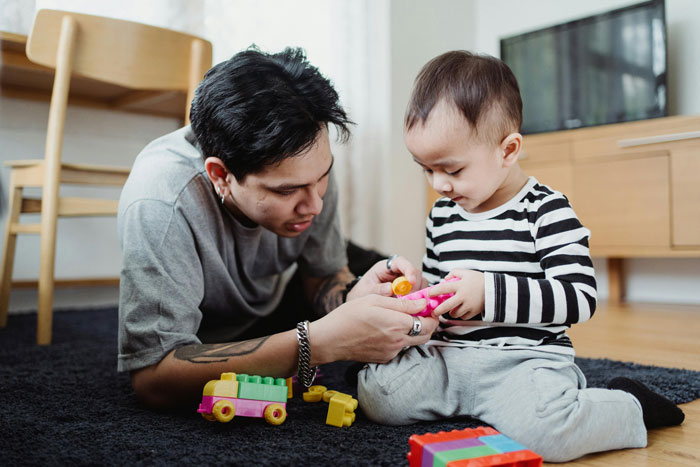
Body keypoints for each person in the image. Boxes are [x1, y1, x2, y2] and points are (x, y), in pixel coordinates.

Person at [356, 51, 684, 462]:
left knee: (548, 435)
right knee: (379, 395)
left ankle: (626, 404)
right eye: (426, 169)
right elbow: (442, 292)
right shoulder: (441, 215)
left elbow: (579, 297)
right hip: (450, 359)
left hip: (522, 363)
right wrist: (419, 295)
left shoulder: (547, 210)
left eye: (453, 170)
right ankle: (479, 406)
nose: (439, 184)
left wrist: (488, 293)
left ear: (508, 150)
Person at [117, 46, 439, 408]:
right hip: (208, 333)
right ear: (220, 176)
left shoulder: (309, 170)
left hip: (283, 291)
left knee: (402, 289)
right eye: (286, 190)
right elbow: (153, 377)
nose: (315, 204)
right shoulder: (161, 202)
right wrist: (318, 342)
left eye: (322, 177)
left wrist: (351, 297)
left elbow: (324, 275)